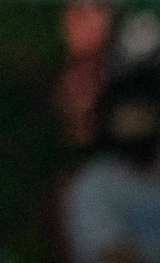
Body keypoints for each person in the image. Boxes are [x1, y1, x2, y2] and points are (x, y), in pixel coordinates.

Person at [65, 70, 160, 263]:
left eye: (146, 112)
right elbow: (114, 253)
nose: (138, 122)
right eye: (131, 113)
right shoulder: (95, 183)